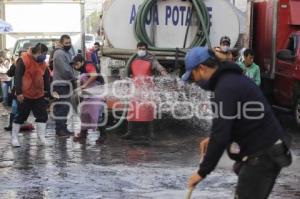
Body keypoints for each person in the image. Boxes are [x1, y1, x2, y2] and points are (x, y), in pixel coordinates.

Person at [183, 47, 292, 199]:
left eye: (193, 75)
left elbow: (221, 134)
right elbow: (234, 123)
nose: (194, 81)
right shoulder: (231, 80)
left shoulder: (225, 87)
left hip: (263, 155)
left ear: (201, 68)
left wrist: (202, 172)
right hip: (268, 151)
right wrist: (212, 139)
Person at [121, 42, 167, 140]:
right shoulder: (133, 59)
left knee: (148, 110)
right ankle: (130, 132)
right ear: (136, 49)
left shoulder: (151, 59)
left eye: (143, 48)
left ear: (146, 49)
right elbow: (127, 71)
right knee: (132, 110)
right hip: (135, 87)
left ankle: (150, 133)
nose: (141, 50)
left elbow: (158, 66)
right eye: (139, 48)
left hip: (147, 87)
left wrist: (163, 71)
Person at [11, 43, 51, 147]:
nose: (44, 56)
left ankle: (41, 138)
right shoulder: (23, 59)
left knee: (42, 116)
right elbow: (17, 76)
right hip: (24, 94)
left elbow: (46, 79)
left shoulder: (43, 63)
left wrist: (49, 93)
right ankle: (14, 138)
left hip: (39, 95)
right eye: (44, 54)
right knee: (20, 116)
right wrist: (19, 92)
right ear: (38, 51)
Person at [71, 54, 106, 144]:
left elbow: (94, 75)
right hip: (88, 95)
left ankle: (103, 136)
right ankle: (83, 135)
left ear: (82, 61)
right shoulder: (82, 69)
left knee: (97, 115)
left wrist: (85, 85)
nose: (75, 66)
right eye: (74, 65)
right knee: (84, 114)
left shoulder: (88, 65)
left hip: (97, 93)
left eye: (77, 64)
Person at [53, 34, 75, 137]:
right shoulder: (59, 54)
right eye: (66, 43)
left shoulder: (66, 52)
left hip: (65, 84)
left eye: (69, 43)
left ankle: (63, 128)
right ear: (61, 43)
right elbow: (66, 70)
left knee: (65, 108)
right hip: (61, 85)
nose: (68, 44)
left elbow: (70, 67)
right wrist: (73, 78)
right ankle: (60, 130)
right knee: (61, 108)